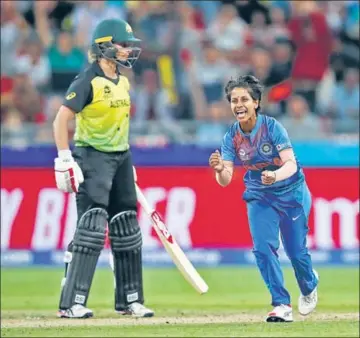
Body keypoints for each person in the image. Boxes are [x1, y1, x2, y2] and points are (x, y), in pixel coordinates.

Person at [53, 18, 154, 319]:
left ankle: (130, 300)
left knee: (127, 228)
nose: (127, 51)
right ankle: (73, 302)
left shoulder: (123, 81)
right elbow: (61, 120)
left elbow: (121, 124)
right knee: (92, 228)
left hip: (121, 157)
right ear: (104, 46)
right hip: (92, 157)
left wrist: (127, 163)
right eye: (123, 45)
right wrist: (64, 158)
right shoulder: (87, 80)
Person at [208, 75, 319, 323]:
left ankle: (310, 284)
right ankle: (281, 304)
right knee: (263, 249)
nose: (239, 104)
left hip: (292, 193)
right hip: (260, 195)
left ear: (256, 102)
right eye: (234, 100)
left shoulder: (272, 127)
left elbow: (290, 164)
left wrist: (275, 175)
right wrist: (218, 170)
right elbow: (226, 178)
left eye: (244, 99)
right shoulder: (231, 137)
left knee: (296, 253)